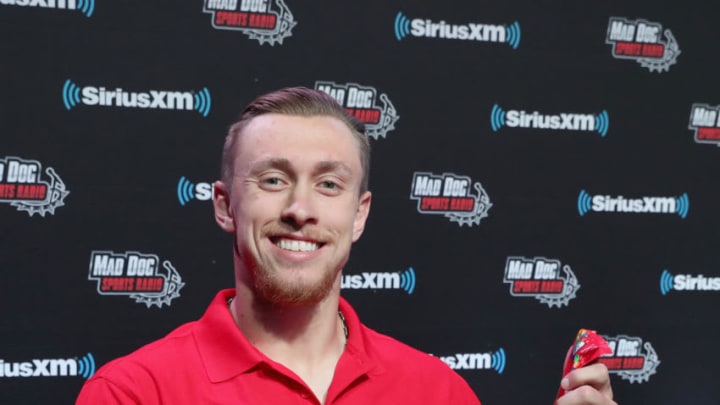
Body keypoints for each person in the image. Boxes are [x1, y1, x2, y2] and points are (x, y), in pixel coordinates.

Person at [76, 87, 617, 405]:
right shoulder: (134, 393)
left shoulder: (437, 391)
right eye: (272, 180)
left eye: (329, 184)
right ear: (223, 206)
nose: (301, 208)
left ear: (358, 216)